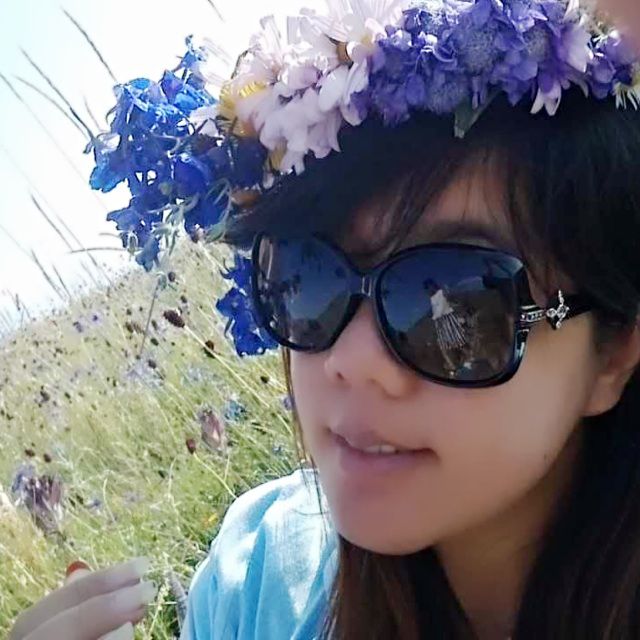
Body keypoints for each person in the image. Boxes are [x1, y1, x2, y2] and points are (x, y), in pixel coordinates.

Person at [9, 1, 640, 639]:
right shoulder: (256, 580)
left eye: (455, 296)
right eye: (308, 274)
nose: (351, 359)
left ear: (613, 352)